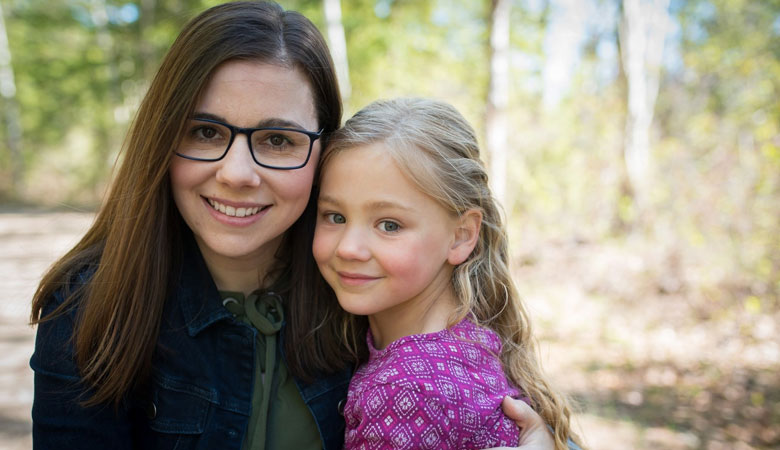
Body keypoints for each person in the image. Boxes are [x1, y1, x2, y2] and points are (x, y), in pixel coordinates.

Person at [29, 2, 567, 449]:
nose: (237, 174)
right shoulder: (93, 304)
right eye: (205, 132)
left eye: (278, 140)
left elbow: (490, 403)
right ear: (162, 140)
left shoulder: (358, 284)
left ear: (322, 152)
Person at [312, 98, 582, 450]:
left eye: (389, 225)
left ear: (462, 235)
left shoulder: (403, 390)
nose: (349, 248)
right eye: (335, 216)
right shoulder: (469, 338)